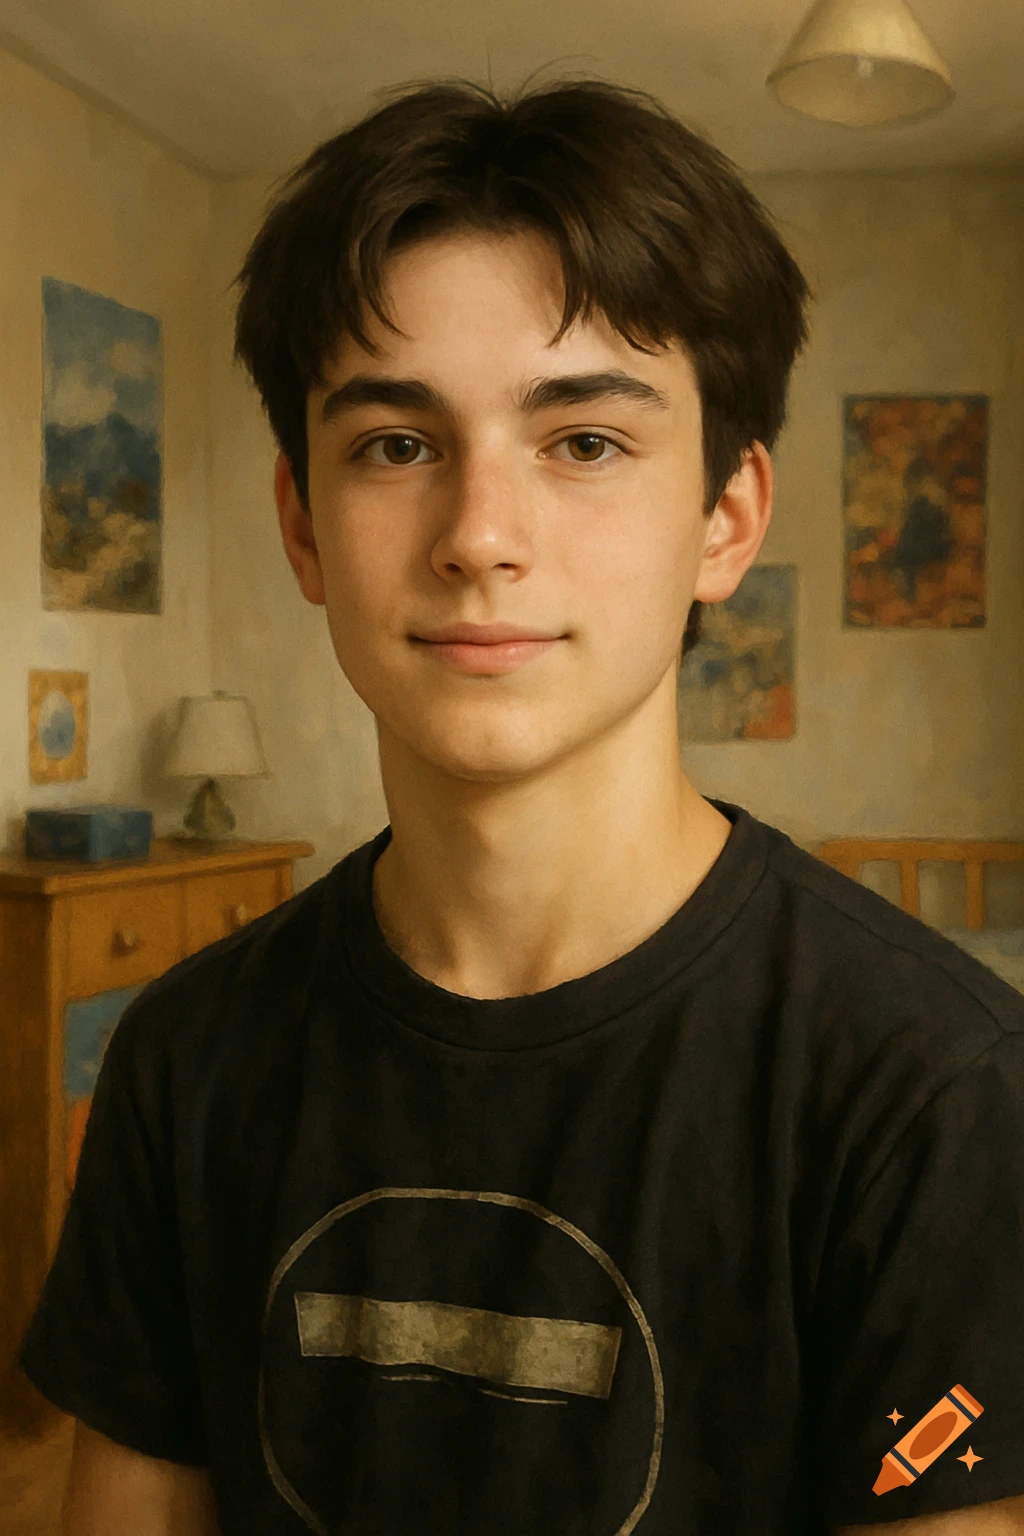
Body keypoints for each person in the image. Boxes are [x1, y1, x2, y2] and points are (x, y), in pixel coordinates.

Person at [19, 70, 1024, 1536]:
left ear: (726, 518)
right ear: (304, 522)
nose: (481, 536)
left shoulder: (935, 1092)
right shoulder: (189, 1061)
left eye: (586, 442)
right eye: (398, 444)